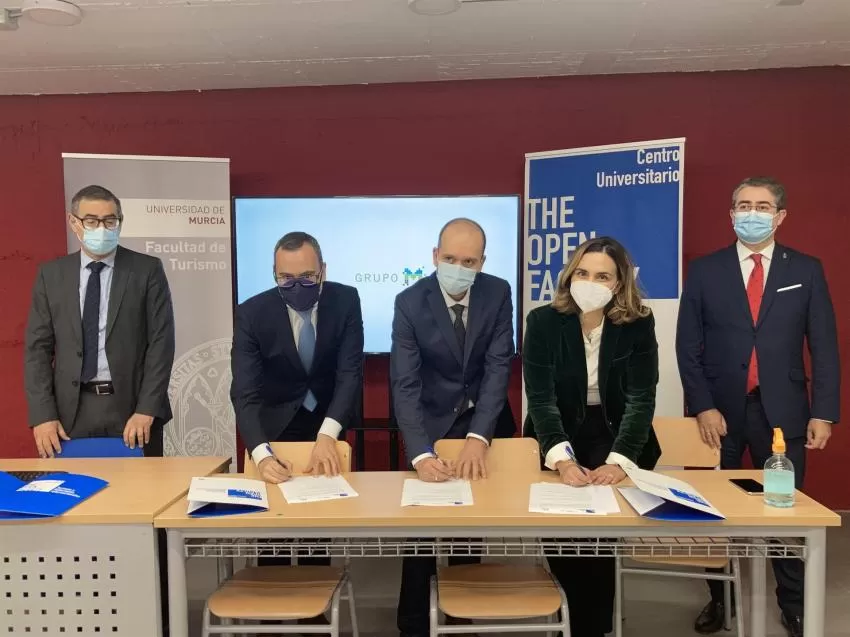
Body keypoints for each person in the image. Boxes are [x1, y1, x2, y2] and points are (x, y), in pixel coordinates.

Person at [676, 176, 839, 637]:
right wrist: (702, 406)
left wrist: (823, 412)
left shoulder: (806, 269)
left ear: (780, 216)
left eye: (762, 206)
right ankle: (719, 599)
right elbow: (687, 346)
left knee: (784, 514)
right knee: (714, 511)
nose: (752, 213)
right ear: (731, 214)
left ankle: (793, 604)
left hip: (784, 412)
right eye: (743, 205)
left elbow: (824, 346)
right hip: (719, 415)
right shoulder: (705, 271)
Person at [523, 236, 661, 637]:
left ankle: (593, 627)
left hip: (613, 432)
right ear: (569, 276)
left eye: (602, 276)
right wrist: (562, 460)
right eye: (582, 273)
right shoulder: (543, 321)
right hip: (556, 432)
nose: (590, 282)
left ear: (619, 283)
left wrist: (619, 461)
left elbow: (641, 398)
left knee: (600, 538)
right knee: (563, 535)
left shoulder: (638, 322)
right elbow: (541, 399)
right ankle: (567, 621)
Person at [391, 217, 515, 637]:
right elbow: (405, 383)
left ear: (482, 262)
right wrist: (421, 453)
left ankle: (463, 620)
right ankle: (413, 625)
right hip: (429, 422)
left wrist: (479, 437)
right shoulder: (410, 302)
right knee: (421, 536)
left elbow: (498, 367)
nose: (458, 268)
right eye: (449, 258)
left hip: (482, 418)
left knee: (469, 531)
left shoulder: (498, 292)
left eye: (468, 261)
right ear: (434, 256)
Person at [230, 231, 363, 570]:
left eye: (306, 277)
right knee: (273, 532)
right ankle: (272, 598)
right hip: (275, 425)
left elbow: (350, 374)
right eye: (286, 279)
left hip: (328, 419)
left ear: (323, 271)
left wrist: (327, 435)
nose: (296, 286)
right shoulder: (252, 313)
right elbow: (244, 392)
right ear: (274, 274)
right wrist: (261, 454)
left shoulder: (346, 300)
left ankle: (315, 597)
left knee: (317, 528)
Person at [25, 184, 175, 457]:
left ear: (120, 222)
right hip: (68, 413)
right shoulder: (51, 275)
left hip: (133, 412)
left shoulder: (146, 270)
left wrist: (147, 409)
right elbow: (37, 350)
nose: (102, 229)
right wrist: (43, 415)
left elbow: (161, 344)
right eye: (92, 221)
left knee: (141, 485)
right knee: (72, 484)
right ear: (73, 222)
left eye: (110, 221)